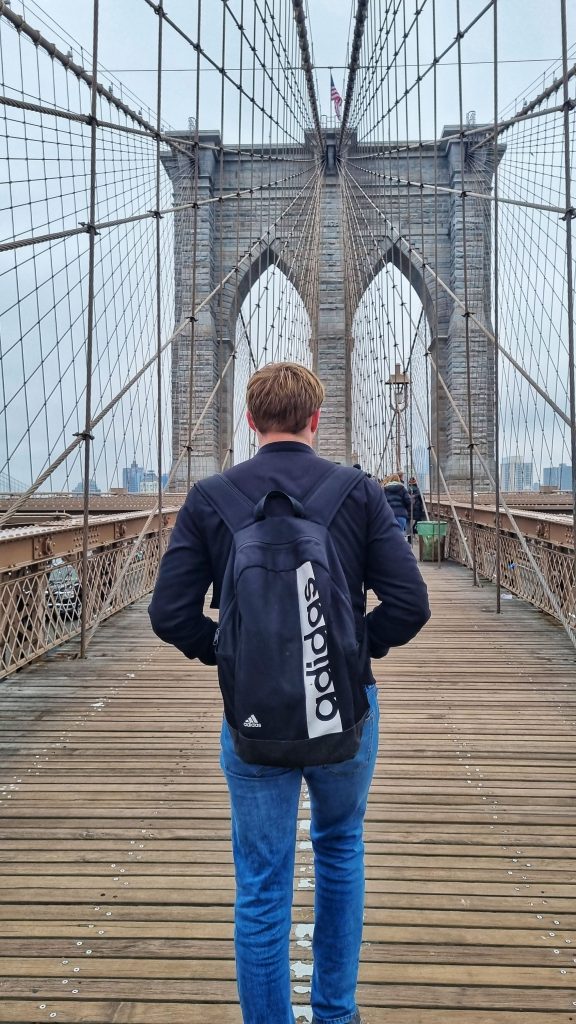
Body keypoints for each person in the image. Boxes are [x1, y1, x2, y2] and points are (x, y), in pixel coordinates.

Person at [149, 362, 430, 1024]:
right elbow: (411, 605)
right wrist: (354, 650)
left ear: (249, 421)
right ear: (315, 420)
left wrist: (225, 652)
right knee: (339, 849)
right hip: (346, 714)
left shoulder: (211, 496)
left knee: (262, 884)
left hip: (253, 720)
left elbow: (168, 614)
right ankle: (336, 1014)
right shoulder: (357, 492)